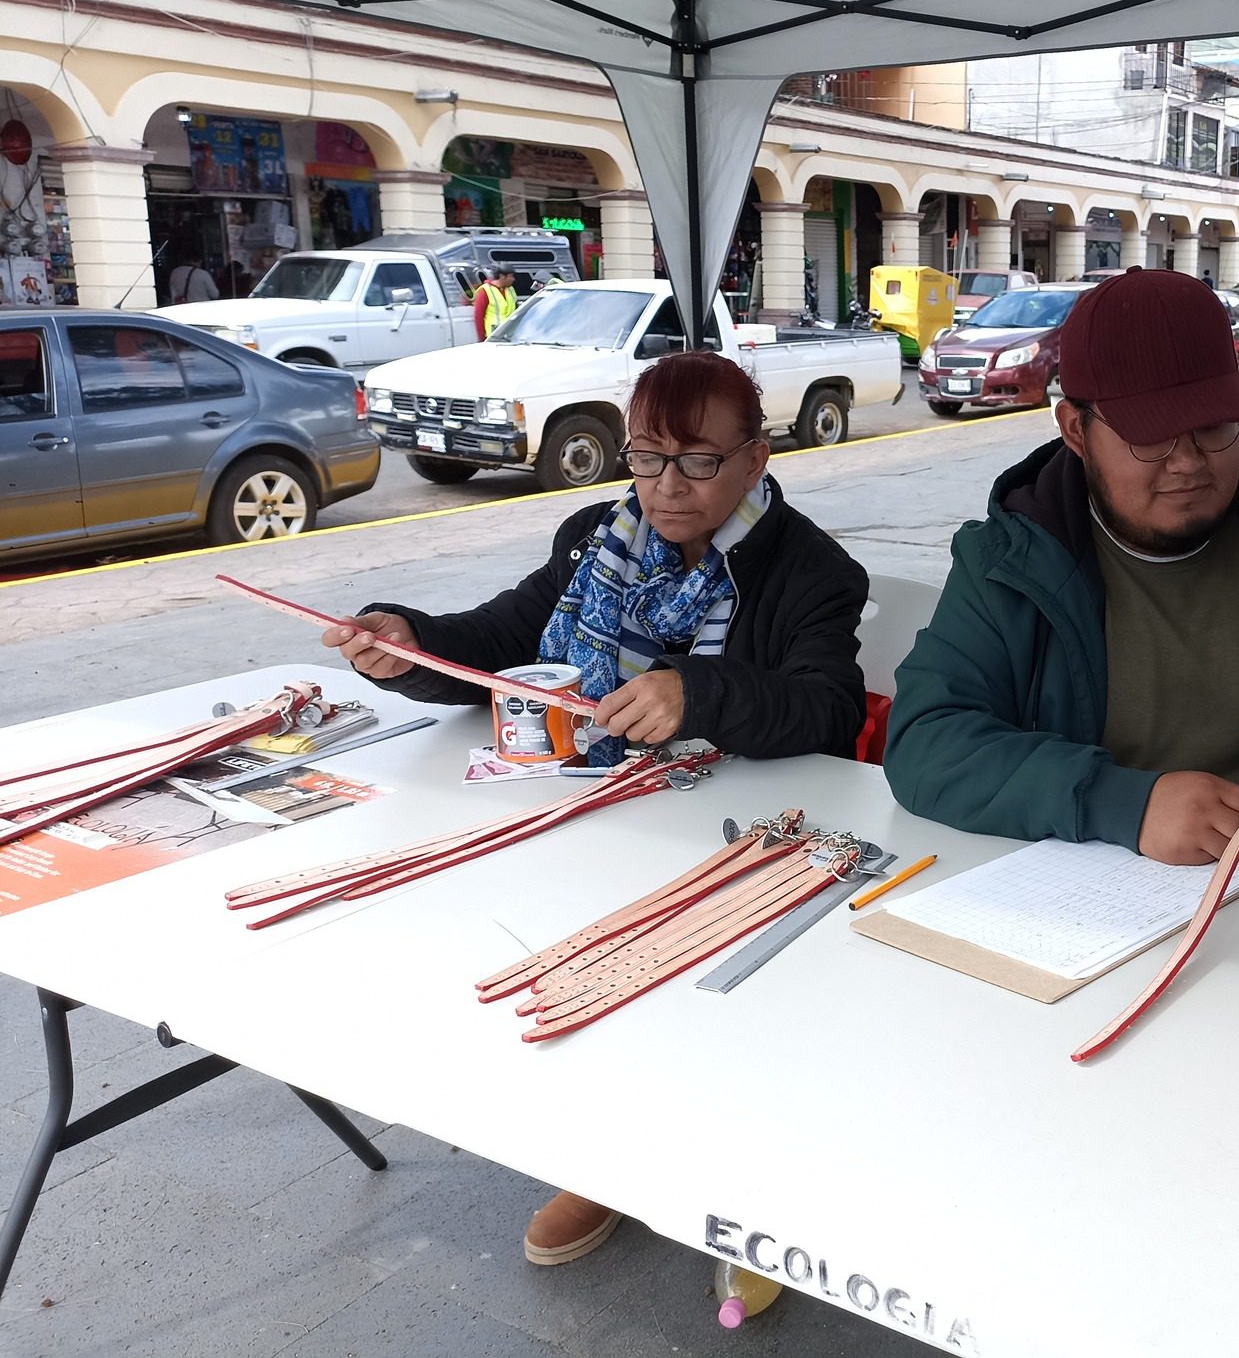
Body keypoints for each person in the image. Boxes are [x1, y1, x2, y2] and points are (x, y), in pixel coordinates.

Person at [320, 351, 870, 1267]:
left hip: (740, 831)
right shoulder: (594, 538)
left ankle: (750, 1166)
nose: (666, 486)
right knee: (557, 941)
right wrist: (410, 643)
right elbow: (503, 639)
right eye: (648, 457)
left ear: (756, 459)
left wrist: (696, 692)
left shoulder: (811, 570)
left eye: (698, 461)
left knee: (719, 994)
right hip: (607, 805)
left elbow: (828, 707)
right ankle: (608, 1156)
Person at [885, 266, 1239, 863]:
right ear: (1075, 429)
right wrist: (1123, 802)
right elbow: (926, 741)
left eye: (1213, 427)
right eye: (1151, 436)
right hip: (1086, 897)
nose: (1189, 463)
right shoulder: (1011, 561)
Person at [472, 264, 516, 339]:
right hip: (493, 335)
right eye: (511, 276)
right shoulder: (485, 291)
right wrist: (482, 338)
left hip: (509, 334)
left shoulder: (511, 290)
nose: (513, 279)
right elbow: (478, 316)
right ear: (502, 276)